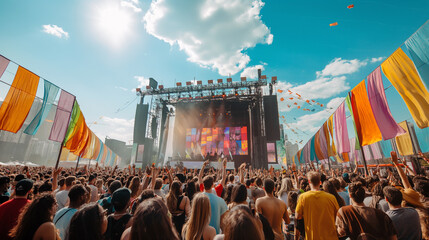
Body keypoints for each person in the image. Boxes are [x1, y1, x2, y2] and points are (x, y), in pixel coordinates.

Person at [296, 171, 339, 240]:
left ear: (309, 182)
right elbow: (338, 217)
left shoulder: (303, 197)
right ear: (320, 182)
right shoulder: (331, 197)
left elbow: (297, 216)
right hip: (331, 237)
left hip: (312, 237)